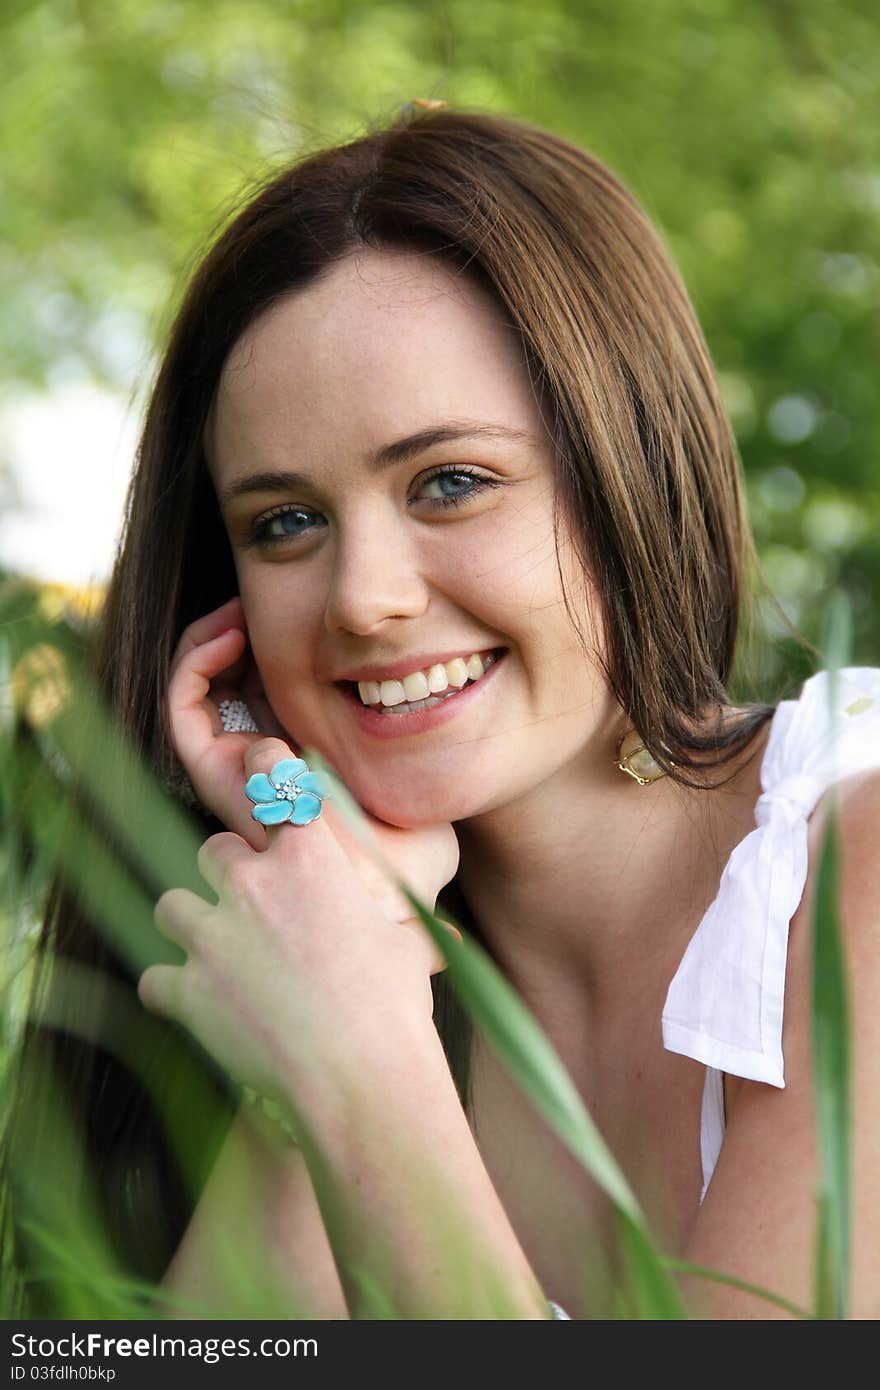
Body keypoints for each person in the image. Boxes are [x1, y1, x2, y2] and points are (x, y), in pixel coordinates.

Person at [3, 103, 880, 1320]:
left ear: (632, 469)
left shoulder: (854, 863)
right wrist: (331, 914)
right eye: (285, 522)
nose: (363, 601)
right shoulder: (315, 959)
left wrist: (359, 1070)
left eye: (451, 483)